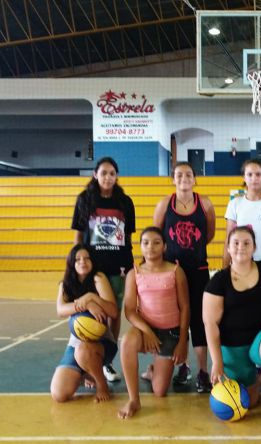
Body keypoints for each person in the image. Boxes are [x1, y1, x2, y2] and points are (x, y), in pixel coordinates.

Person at [203, 225, 261, 430]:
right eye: (235, 243)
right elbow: (210, 324)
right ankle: (258, 378)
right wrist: (217, 362)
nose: (241, 247)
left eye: (246, 243)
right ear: (228, 248)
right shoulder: (218, 281)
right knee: (248, 403)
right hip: (233, 347)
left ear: (254, 247)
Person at [153, 161, 216, 392]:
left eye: (188, 174)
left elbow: (208, 234)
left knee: (199, 320)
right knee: (177, 320)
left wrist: (192, 250)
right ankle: (184, 366)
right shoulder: (164, 205)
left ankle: (202, 371)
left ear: (194, 178)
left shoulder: (205, 203)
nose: (183, 178)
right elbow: (157, 236)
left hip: (198, 269)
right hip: (172, 271)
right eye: (179, 175)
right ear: (173, 179)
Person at [71, 156, 136, 382]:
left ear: (116, 177)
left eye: (112, 173)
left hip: (117, 268)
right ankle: (87, 359)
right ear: (95, 175)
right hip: (93, 268)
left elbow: (127, 239)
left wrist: (130, 268)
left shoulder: (125, 202)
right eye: (103, 173)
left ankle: (107, 360)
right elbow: (78, 235)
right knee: (91, 314)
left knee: (114, 314)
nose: (107, 177)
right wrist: (75, 263)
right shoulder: (84, 200)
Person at [117, 227, 189, 419]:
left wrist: (182, 342)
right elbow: (130, 311)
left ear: (165, 246)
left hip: (170, 333)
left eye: (156, 242)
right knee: (126, 341)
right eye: (146, 242)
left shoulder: (175, 271)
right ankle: (134, 400)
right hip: (144, 330)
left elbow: (185, 308)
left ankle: (153, 370)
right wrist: (147, 331)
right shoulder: (134, 273)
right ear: (140, 246)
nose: (151, 247)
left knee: (159, 391)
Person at [50, 244, 118, 403]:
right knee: (59, 395)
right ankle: (85, 373)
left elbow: (113, 312)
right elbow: (60, 310)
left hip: (102, 342)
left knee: (83, 351)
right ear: (71, 263)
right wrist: (86, 305)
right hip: (75, 344)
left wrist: (92, 297)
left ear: (92, 261)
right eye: (78, 259)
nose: (83, 262)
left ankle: (101, 384)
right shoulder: (65, 283)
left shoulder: (98, 278)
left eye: (87, 258)